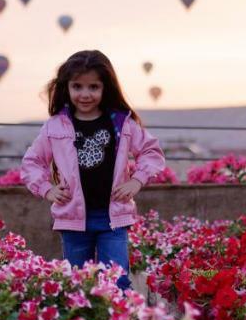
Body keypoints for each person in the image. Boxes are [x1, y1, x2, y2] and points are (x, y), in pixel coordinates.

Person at [20, 50, 166, 289]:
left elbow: (151, 151)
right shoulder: (55, 126)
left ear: (105, 88)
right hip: (72, 219)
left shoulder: (122, 123)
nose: (85, 95)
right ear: (66, 88)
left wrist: (137, 180)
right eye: (77, 86)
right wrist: (47, 189)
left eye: (93, 87)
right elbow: (32, 162)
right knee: (77, 284)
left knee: (117, 281)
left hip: (113, 218)